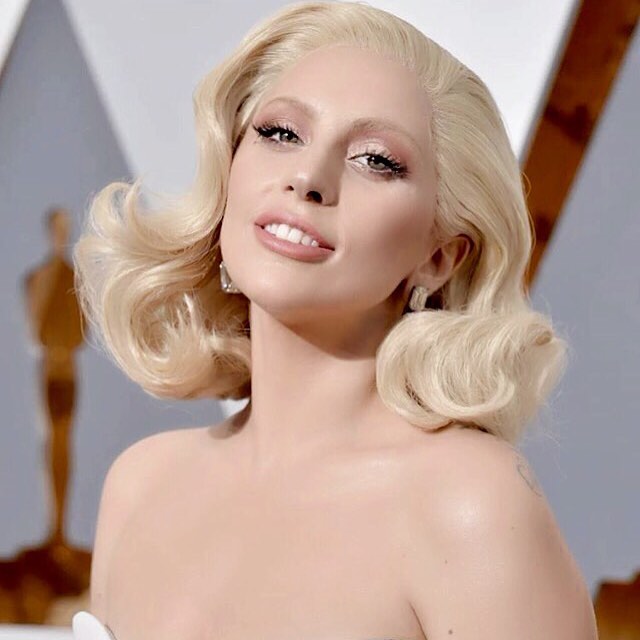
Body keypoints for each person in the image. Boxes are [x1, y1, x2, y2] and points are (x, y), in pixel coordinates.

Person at [71, 1, 598, 638]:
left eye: (376, 160)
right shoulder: (140, 486)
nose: (308, 177)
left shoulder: (470, 507)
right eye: (280, 133)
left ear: (439, 256)